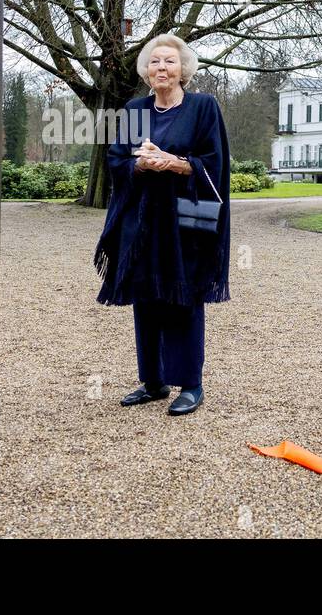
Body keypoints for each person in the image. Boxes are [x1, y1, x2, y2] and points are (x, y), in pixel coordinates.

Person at [93, 34, 230, 416]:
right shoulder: (135, 110)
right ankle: (153, 381)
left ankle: (190, 384)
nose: (162, 68)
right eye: (154, 62)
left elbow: (214, 164)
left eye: (169, 62)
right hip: (143, 220)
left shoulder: (203, 107)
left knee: (183, 296)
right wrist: (140, 163)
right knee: (146, 297)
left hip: (187, 218)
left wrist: (171, 161)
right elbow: (116, 160)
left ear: (183, 69)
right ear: (146, 70)